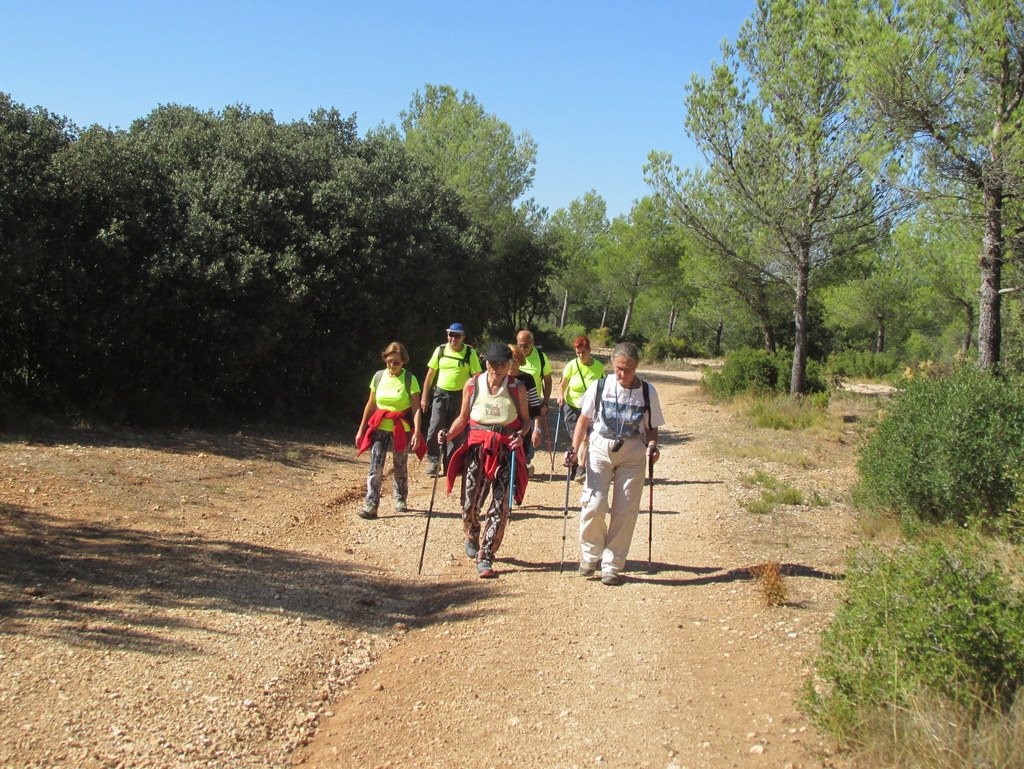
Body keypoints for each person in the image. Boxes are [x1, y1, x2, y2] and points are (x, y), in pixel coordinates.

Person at [564, 342, 664, 585]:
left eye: (627, 369)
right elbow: (583, 421)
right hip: (600, 448)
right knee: (594, 505)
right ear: (612, 365)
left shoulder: (648, 392)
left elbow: (651, 428)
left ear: (636, 366)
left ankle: (612, 565)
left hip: (632, 453)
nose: (622, 374)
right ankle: (590, 555)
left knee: (625, 510)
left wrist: (652, 447)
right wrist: (574, 450)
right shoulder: (600, 386)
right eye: (618, 368)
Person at [441, 343, 530, 578]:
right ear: (486, 362)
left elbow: (525, 421)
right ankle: (472, 533)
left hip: (505, 449)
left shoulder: (517, 387)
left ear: (510, 365)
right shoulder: (472, 384)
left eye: (502, 364)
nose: (496, 368)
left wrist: (520, 436)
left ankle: (486, 555)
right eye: (492, 363)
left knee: (499, 505)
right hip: (477, 448)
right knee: (470, 503)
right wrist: (447, 435)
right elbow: (462, 418)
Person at [355, 342, 425, 519]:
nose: (392, 365)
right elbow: (370, 405)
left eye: (396, 362)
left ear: (403, 362)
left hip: (401, 428)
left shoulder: (410, 380)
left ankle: (401, 498)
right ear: (385, 359)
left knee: (399, 464)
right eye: (389, 361)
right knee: (375, 467)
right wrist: (361, 429)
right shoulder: (378, 377)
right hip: (380, 427)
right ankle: (371, 504)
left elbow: (416, 408)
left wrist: (417, 431)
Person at [421, 323, 482, 476]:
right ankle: (434, 460)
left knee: (456, 431)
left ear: (463, 337)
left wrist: (476, 400)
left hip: (461, 396)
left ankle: (450, 464)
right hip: (440, 394)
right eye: (450, 335)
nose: (453, 338)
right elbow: (430, 374)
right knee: (435, 427)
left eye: (457, 335)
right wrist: (424, 396)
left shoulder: (469, 353)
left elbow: (477, 377)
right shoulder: (440, 350)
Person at [556, 335, 606, 484]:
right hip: (572, 406)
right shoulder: (572, 365)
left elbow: (603, 386)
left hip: (589, 407)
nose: (580, 356)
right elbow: (562, 385)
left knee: (585, 437)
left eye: (583, 352)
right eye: (577, 353)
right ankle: (576, 463)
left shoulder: (598, 367)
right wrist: (560, 396)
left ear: (589, 350)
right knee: (575, 437)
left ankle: (581, 468)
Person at [516, 329, 552, 476]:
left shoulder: (541, 358)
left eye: (525, 346)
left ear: (533, 343)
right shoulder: (513, 355)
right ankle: (518, 461)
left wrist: (546, 402)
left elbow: (548, 381)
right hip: (514, 399)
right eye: (520, 345)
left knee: (531, 431)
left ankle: (526, 460)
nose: (522, 349)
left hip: (533, 400)